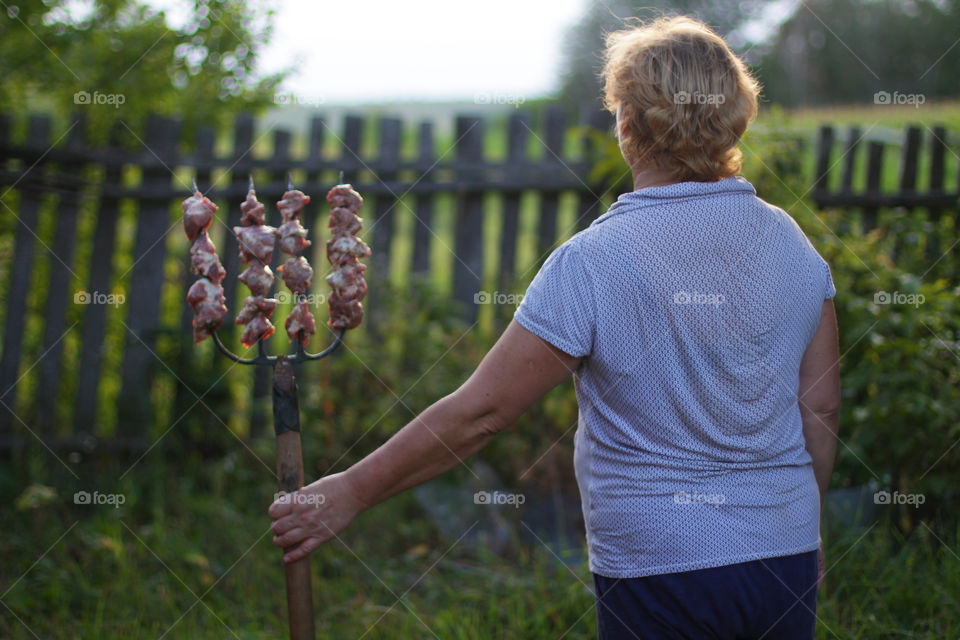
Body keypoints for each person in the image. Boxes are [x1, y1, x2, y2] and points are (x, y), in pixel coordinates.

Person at [269, 15, 839, 640]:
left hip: (663, 568)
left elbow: (483, 413)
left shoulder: (596, 260)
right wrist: (798, 532)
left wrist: (351, 490)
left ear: (626, 123)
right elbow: (821, 412)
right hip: (784, 556)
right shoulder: (793, 244)